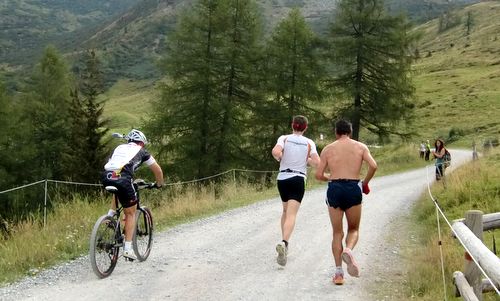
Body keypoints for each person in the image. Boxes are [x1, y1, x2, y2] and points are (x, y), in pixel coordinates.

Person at [315, 119, 377, 285]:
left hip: (334, 188)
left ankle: (338, 273)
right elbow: (373, 166)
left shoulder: (328, 149)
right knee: (354, 228)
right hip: (353, 187)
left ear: (336, 132)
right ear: (349, 131)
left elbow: (319, 174)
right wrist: (364, 183)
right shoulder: (360, 147)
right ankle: (348, 250)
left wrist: (331, 177)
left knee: (337, 233)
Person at [101, 129, 164, 260]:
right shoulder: (142, 151)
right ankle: (128, 249)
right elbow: (157, 170)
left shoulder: (119, 147)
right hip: (123, 178)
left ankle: (110, 215)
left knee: (118, 190)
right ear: (141, 143)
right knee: (130, 213)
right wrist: (159, 184)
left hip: (106, 176)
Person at [271, 115, 320, 266]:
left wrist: (279, 157)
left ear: (293, 125)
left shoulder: (284, 138)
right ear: (305, 127)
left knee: (285, 212)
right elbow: (317, 163)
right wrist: (306, 160)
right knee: (292, 214)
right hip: (298, 178)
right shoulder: (309, 142)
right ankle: (285, 242)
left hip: (283, 178)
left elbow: (276, 152)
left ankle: (283, 242)